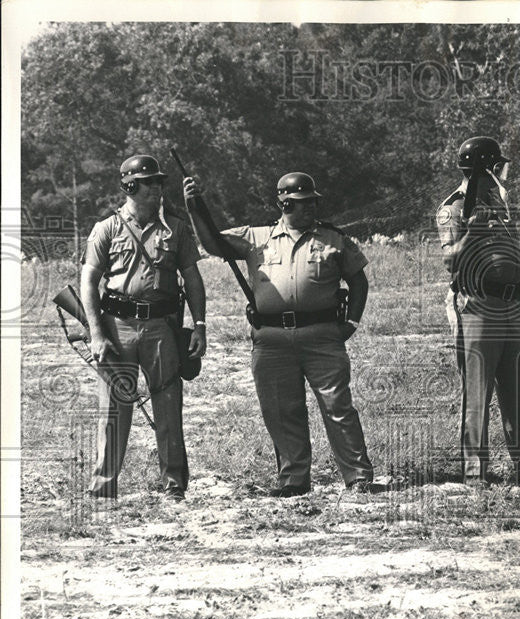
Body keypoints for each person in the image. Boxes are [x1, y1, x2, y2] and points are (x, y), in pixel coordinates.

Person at [183, 171, 374, 497]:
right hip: (270, 340)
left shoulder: (333, 239)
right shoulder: (255, 237)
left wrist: (351, 323)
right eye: (302, 204)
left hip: (323, 335)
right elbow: (213, 243)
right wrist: (193, 208)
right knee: (281, 410)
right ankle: (293, 479)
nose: (310, 208)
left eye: (312, 202)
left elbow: (358, 281)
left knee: (337, 406)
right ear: (284, 203)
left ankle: (358, 477)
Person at [81, 154, 206, 501]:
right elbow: (88, 281)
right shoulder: (106, 228)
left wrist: (199, 325)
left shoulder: (176, 228)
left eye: (160, 182)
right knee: (113, 409)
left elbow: (193, 279)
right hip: (117, 326)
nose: (158, 188)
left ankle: (174, 484)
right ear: (130, 186)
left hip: (161, 327)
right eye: (150, 182)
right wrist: (96, 333)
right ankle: (104, 487)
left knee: (169, 405)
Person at [436, 136, 520, 486]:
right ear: (483, 168)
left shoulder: (500, 202)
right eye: (494, 166)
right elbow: (450, 259)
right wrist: (472, 229)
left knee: (518, 389)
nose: (499, 173)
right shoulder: (453, 208)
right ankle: (475, 470)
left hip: (508, 305)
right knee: (478, 390)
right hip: (476, 305)